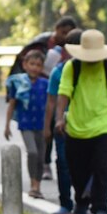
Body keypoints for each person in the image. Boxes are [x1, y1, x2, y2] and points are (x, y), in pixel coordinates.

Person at [54, 29, 107, 214]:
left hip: (102, 126)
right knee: (77, 169)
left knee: (101, 168)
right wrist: (59, 118)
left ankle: (101, 207)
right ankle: (81, 203)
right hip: (76, 127)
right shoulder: (72, 67)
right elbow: (63, 93)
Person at [44, 29, 83, 214]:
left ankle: (84, 202)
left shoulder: (96, 69)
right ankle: (66, 203)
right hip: (64, 125)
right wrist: (48, 127)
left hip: (87, 124)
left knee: (86, 164)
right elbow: (52, 100)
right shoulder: (58, 72)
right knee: (63, 163)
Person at [5, 50, 50, 199]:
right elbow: (12, 104)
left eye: (38, 65)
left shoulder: (46, 84)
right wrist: (7, 125)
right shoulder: (18, 83)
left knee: (41, 156)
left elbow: (51, 105)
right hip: (26, 124)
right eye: (32, 64)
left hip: (42, 125)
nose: (35, 68)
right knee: (32, 152)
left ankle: (37, 185)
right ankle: (33, 184)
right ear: (25, 65)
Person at [43, 15, 79, 180]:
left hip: (75, 106)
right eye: (62, 32)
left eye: (68, 33)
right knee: (51, 132)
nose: (64, 36)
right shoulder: (47, 46)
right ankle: (45, 162)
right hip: (49, 92)